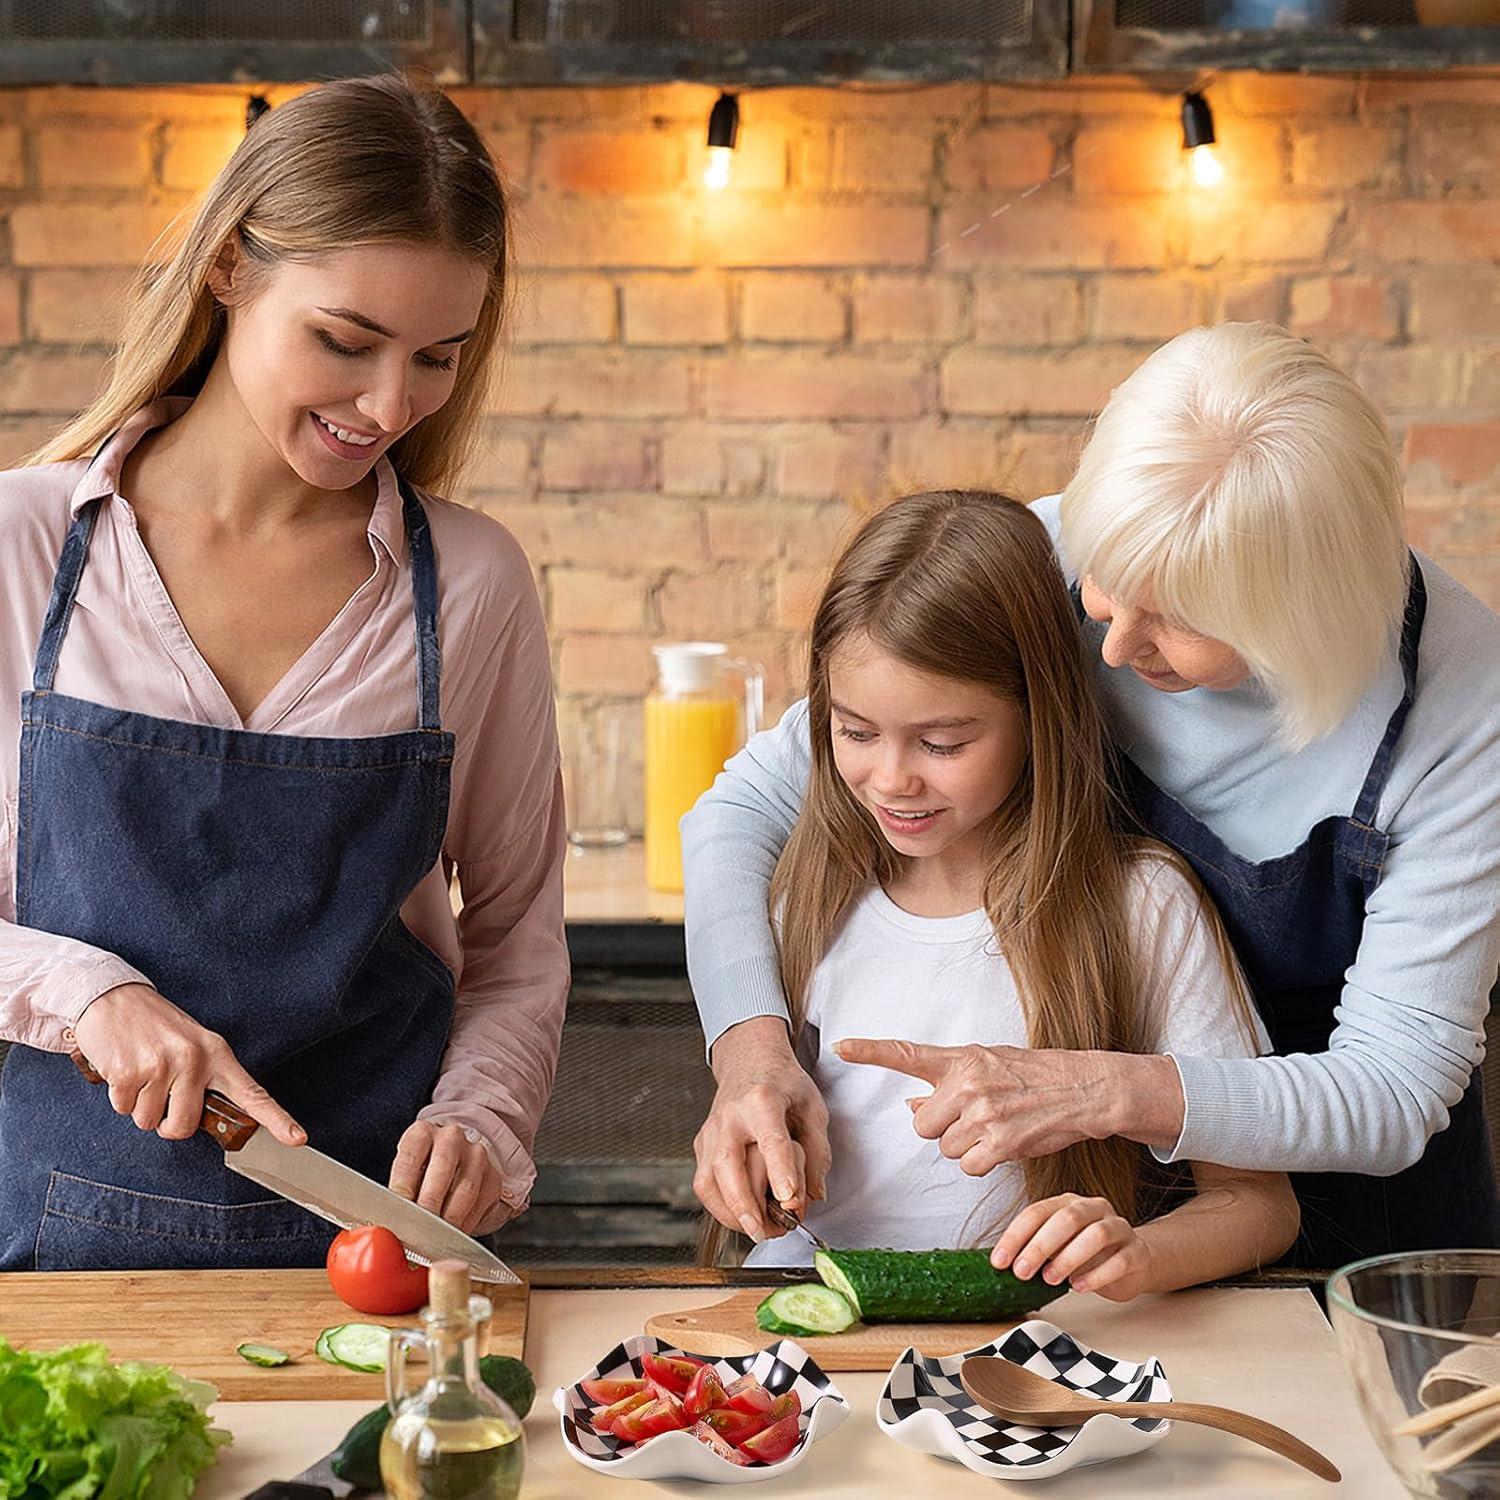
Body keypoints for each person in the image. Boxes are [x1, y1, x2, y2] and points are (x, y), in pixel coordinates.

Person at [687, 322, 1500, 1269]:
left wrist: (1103, 1092)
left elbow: (1395, 1089)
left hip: (1366, 1211)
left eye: (1176, 617)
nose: (1109, 647)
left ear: (1303, 614)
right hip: (1117, 1220)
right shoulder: (1048, 562)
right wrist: (751, 1052)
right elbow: (741, 813)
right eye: (1106, 584)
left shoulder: (1463, 708)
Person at [0, 74, 568, 1270]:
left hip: (372, 1255)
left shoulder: (470, 585)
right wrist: (86, 991)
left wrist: (484, 1114)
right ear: (227, 267)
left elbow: (518, 935)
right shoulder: (27, 547)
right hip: (49, 1260)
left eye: (437, 358)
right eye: (345, 342)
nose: (389, 403)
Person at [717, 490, 1298, 1297]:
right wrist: (748, 1161)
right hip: (807, 1319)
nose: (891, 778)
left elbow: (1258, 1203)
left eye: (942, 742)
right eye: (855, 732)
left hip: (1037, 1340)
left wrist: (1140, 1254)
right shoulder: (805, 896)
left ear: (1037, 715)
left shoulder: (1143, 905)